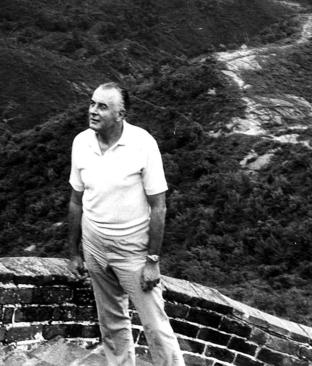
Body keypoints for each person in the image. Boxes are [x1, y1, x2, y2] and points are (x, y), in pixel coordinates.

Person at [67, 82, 185, 366]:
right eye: (92, 103)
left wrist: (152, 260)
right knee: (111, 323)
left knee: (156, 326)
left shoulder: (143, 144)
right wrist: (73, 253)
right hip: (94, 245)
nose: (93, 111)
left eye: (102, 106)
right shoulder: (81, 142)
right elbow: (75, 201)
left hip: (132, 250)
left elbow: (159, 206)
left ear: (121, 114)